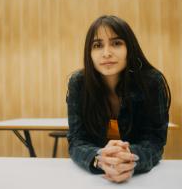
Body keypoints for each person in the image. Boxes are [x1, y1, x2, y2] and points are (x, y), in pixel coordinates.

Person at [66, 15, 171, 183]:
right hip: (95, 180)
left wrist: (128, 157)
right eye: (98, 45)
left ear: (130, 48)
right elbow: (77, 140)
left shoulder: (151, 82)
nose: (106, 53)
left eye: (116, 43)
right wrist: (99, 159)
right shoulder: (79, 83)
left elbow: (154, 141)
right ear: (89, 53)